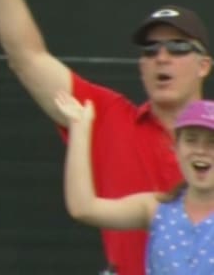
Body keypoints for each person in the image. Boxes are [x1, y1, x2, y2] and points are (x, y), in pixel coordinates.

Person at [0, 0, 212, 275]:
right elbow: (26, 57)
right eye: (150, 51)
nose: (161, 58)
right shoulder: (103, 116)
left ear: (204, 65)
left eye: (178, 48)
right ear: (140, 66)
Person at [55, 92, 214, 275]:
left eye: (212, 142)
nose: (201, 150)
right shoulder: (157, 208)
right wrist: (79, 128)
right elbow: (83, 208)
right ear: (176, 148)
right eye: (191, 140)